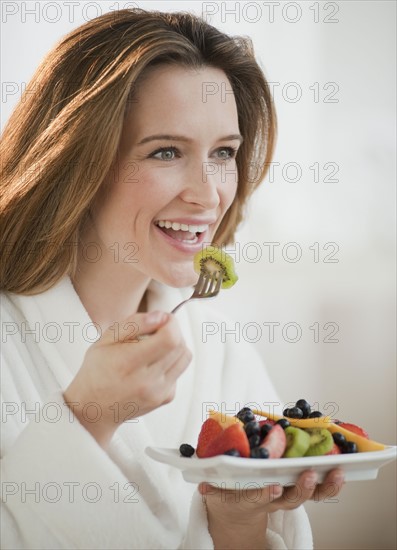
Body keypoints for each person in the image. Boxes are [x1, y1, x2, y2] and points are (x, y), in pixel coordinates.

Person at [0, 9, 344, 549]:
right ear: (75, 162)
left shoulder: (223, 351)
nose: (209, 196)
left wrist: (237, 521)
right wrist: (86, 416)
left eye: (224, 153)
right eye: (166, 151)